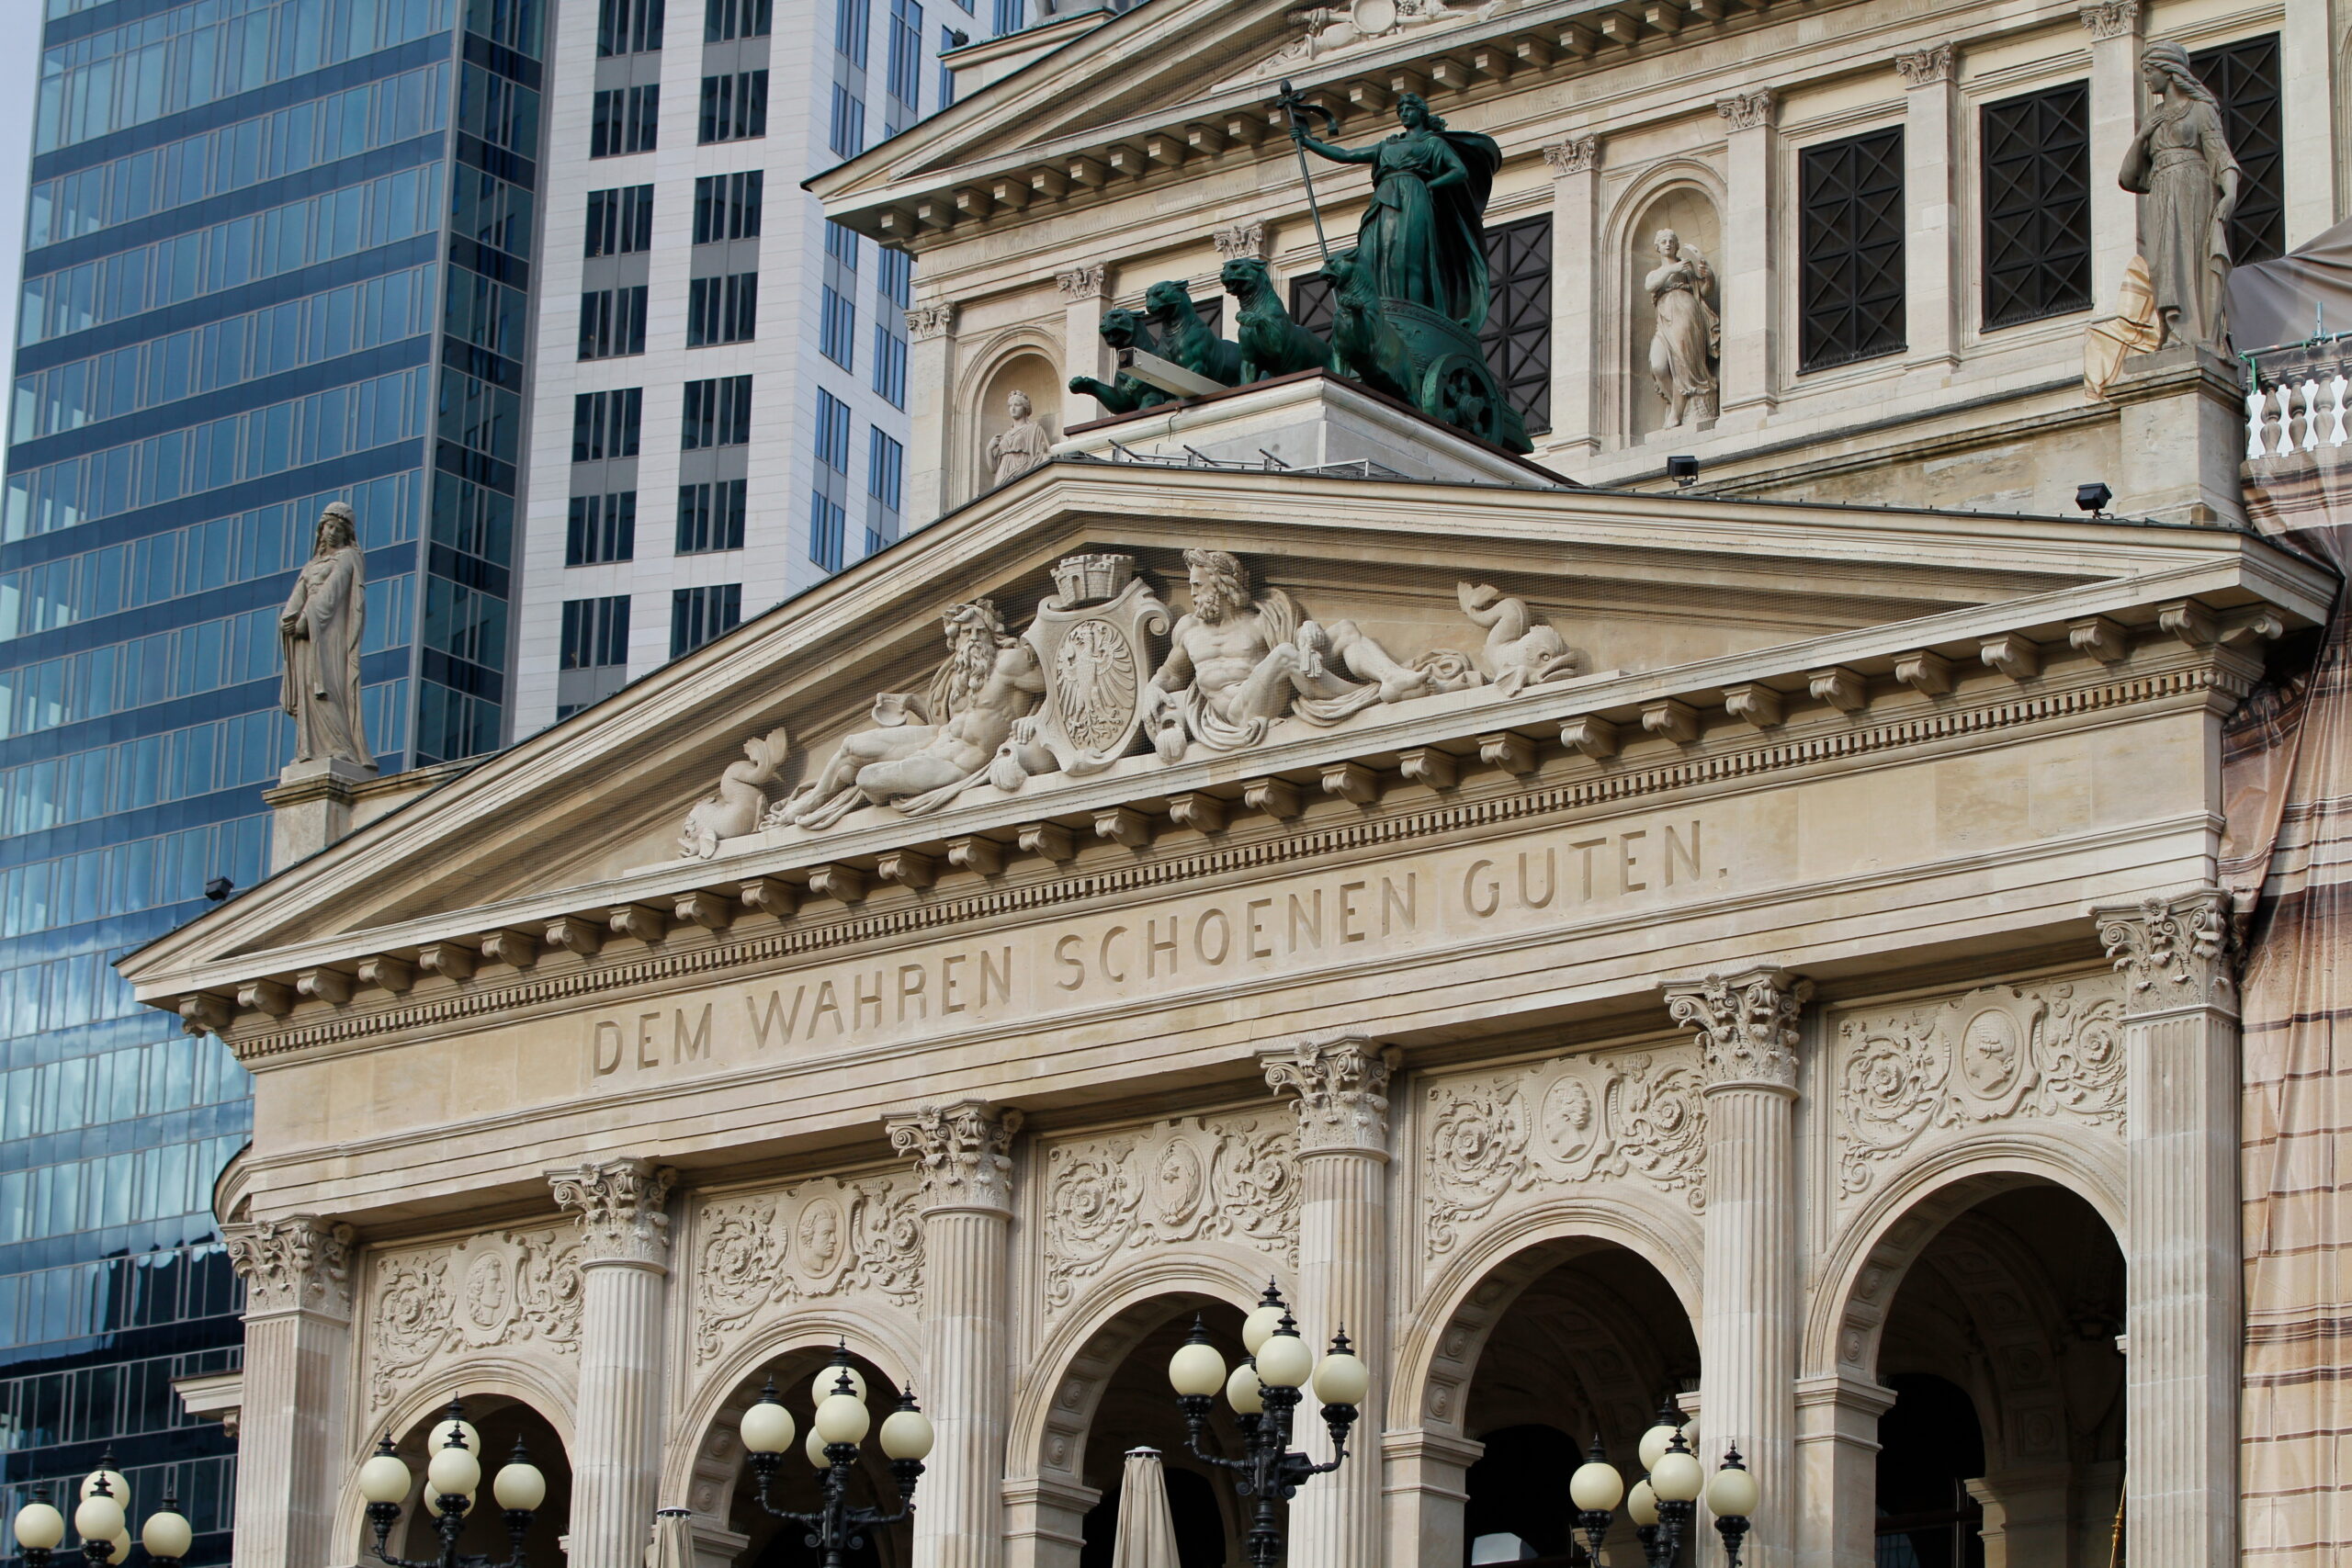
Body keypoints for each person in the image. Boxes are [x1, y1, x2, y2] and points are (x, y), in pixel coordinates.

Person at [1289, 93, 1502, 330]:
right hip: (1383, 201)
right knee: (1371, 256)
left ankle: (1415, 321)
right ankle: (1378, 317)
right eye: (1401, 110)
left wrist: (1430, 185)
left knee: (1409, 259)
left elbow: (1459, 171)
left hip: (1413, 198)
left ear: (1421, 113)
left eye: (1409, 109)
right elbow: (1346, 155)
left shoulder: (1432, 144)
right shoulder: (1386, 146)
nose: (1404, 114)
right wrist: (1307, 142)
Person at [2119, 40, 2241, 352]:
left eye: (2150, 71)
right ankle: (2170, 331)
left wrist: (2229, 194)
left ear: (2168, 71)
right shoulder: (2154, 118)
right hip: (2161, 194)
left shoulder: (2200, 110)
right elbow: (2128, 177)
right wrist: (2142, 135)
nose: (2147, 78)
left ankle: (2194, 334)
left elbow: (2221, 156)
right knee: (2162, 264)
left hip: (2194, 191)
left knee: (2192, 258)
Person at [279, 502, 374, 768]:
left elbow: (332, 592)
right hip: (308, 636)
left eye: (339, 529)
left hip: (330, 633)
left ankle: (341, 747)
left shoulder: (347, 557)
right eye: (329, 527)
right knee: (309, 689)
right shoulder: (311, 565)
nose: (332, 533)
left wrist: (304, 620)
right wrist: (288, 620)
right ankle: (309, 749)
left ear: (347, 534)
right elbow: (297, 597)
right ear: (321, 529)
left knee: (329, 687)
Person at [1645, 230, 1720, 427]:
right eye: (1663, 241)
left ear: (1677, 245)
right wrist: (1672, 269)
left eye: (1671, 241)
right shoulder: (1657, 273)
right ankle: (1679, 405)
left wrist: (1709, 277)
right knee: (1658, 366)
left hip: (1686, 314)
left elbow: (1703, 292)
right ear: (1657, 247)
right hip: (1664, 320)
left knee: (1682, 364)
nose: (1668, 244)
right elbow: (1650, 286)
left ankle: (1677, 413)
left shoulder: (1686, 268)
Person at [986, 389, 1054, 485]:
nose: (1013, 409)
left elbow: (1043, 456)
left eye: (1017, 405)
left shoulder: (1033, 429)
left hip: (1022, 469)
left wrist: (1044, 454)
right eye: (1010, 406)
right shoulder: (1005, 436)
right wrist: (989, 449)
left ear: (1025, 407)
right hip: (1002, 476)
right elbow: (994, 469)